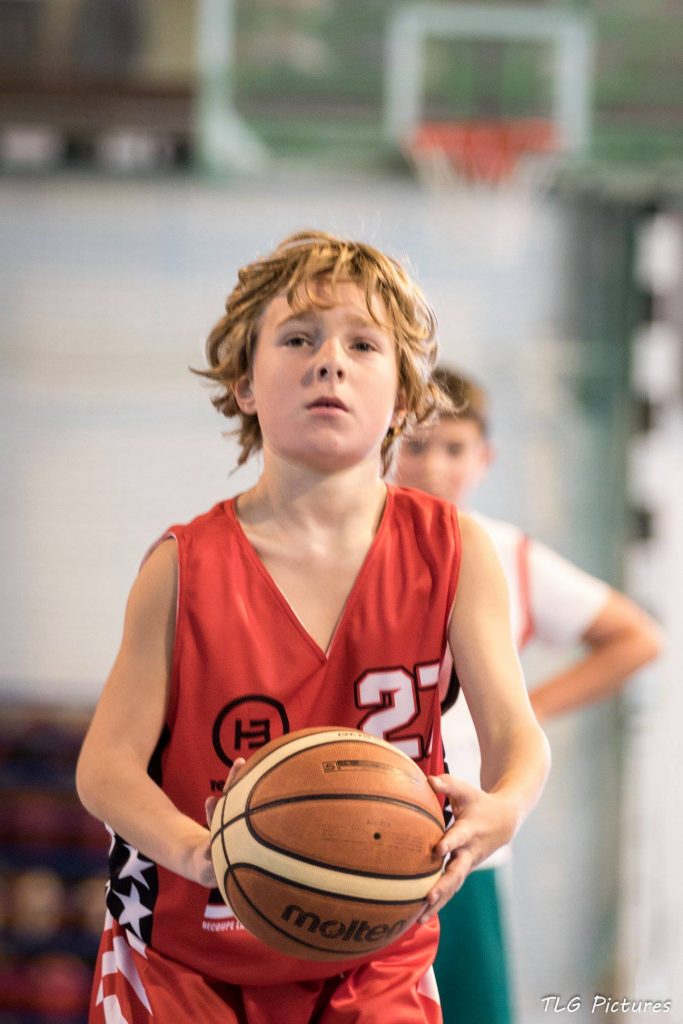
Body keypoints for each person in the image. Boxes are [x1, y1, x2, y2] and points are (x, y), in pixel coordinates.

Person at [75, 231, 550, 1024]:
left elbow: (516, 737)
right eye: (298, 338)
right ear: (244, 384)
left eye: (362, 344)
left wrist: (503, 810)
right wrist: (203, 852)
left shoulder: (454, 549)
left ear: (403, 398)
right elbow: (105, 768)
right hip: (184, 958)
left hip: (376, 953)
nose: (329, 361)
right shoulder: (181, 565)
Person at [392, 366, 663, 1024]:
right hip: (356, 820)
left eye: (453, 447)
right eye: (418, 445)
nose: (433, 464)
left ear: (483, 458)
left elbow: (636, 637)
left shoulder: (502, 551)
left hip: (461, 835)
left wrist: (524, 711)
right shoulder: (350, 542)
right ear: (389, 444)